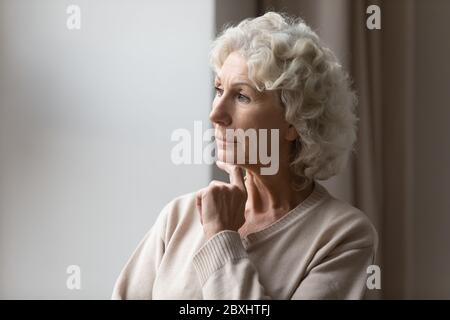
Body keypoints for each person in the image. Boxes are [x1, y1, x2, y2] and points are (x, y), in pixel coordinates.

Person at [112, 12, 378, 300]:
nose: (215, 114)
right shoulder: (180, 216)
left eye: (241, 96)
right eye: (219, 90)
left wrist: (220, 236)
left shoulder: (343, 236)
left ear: (295, 121)